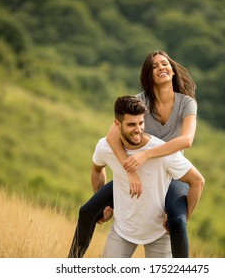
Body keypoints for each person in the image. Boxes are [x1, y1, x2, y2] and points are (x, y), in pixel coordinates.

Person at [68, 50, 200, 258]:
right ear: (149, 75)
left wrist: (146, 155)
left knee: (176, 222)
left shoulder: (186, 103)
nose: (161, 68)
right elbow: (112, 136)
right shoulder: (140, 101)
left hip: (172, 173)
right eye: (155, 66)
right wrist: (129, 169)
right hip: (138, 170)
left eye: (164, 64)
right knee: (87, 211)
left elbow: (186, 141)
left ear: (173, 70)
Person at [92, 95, 204, 257]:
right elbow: (96, 169)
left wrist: (182, 216)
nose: (138, 129)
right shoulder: (105, 147)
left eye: (141, 123)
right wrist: (101, 204)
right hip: (122, 231)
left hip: (159, 234)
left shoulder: (163, 151)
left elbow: (198, 181)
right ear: (117, 124)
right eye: (131, 124)